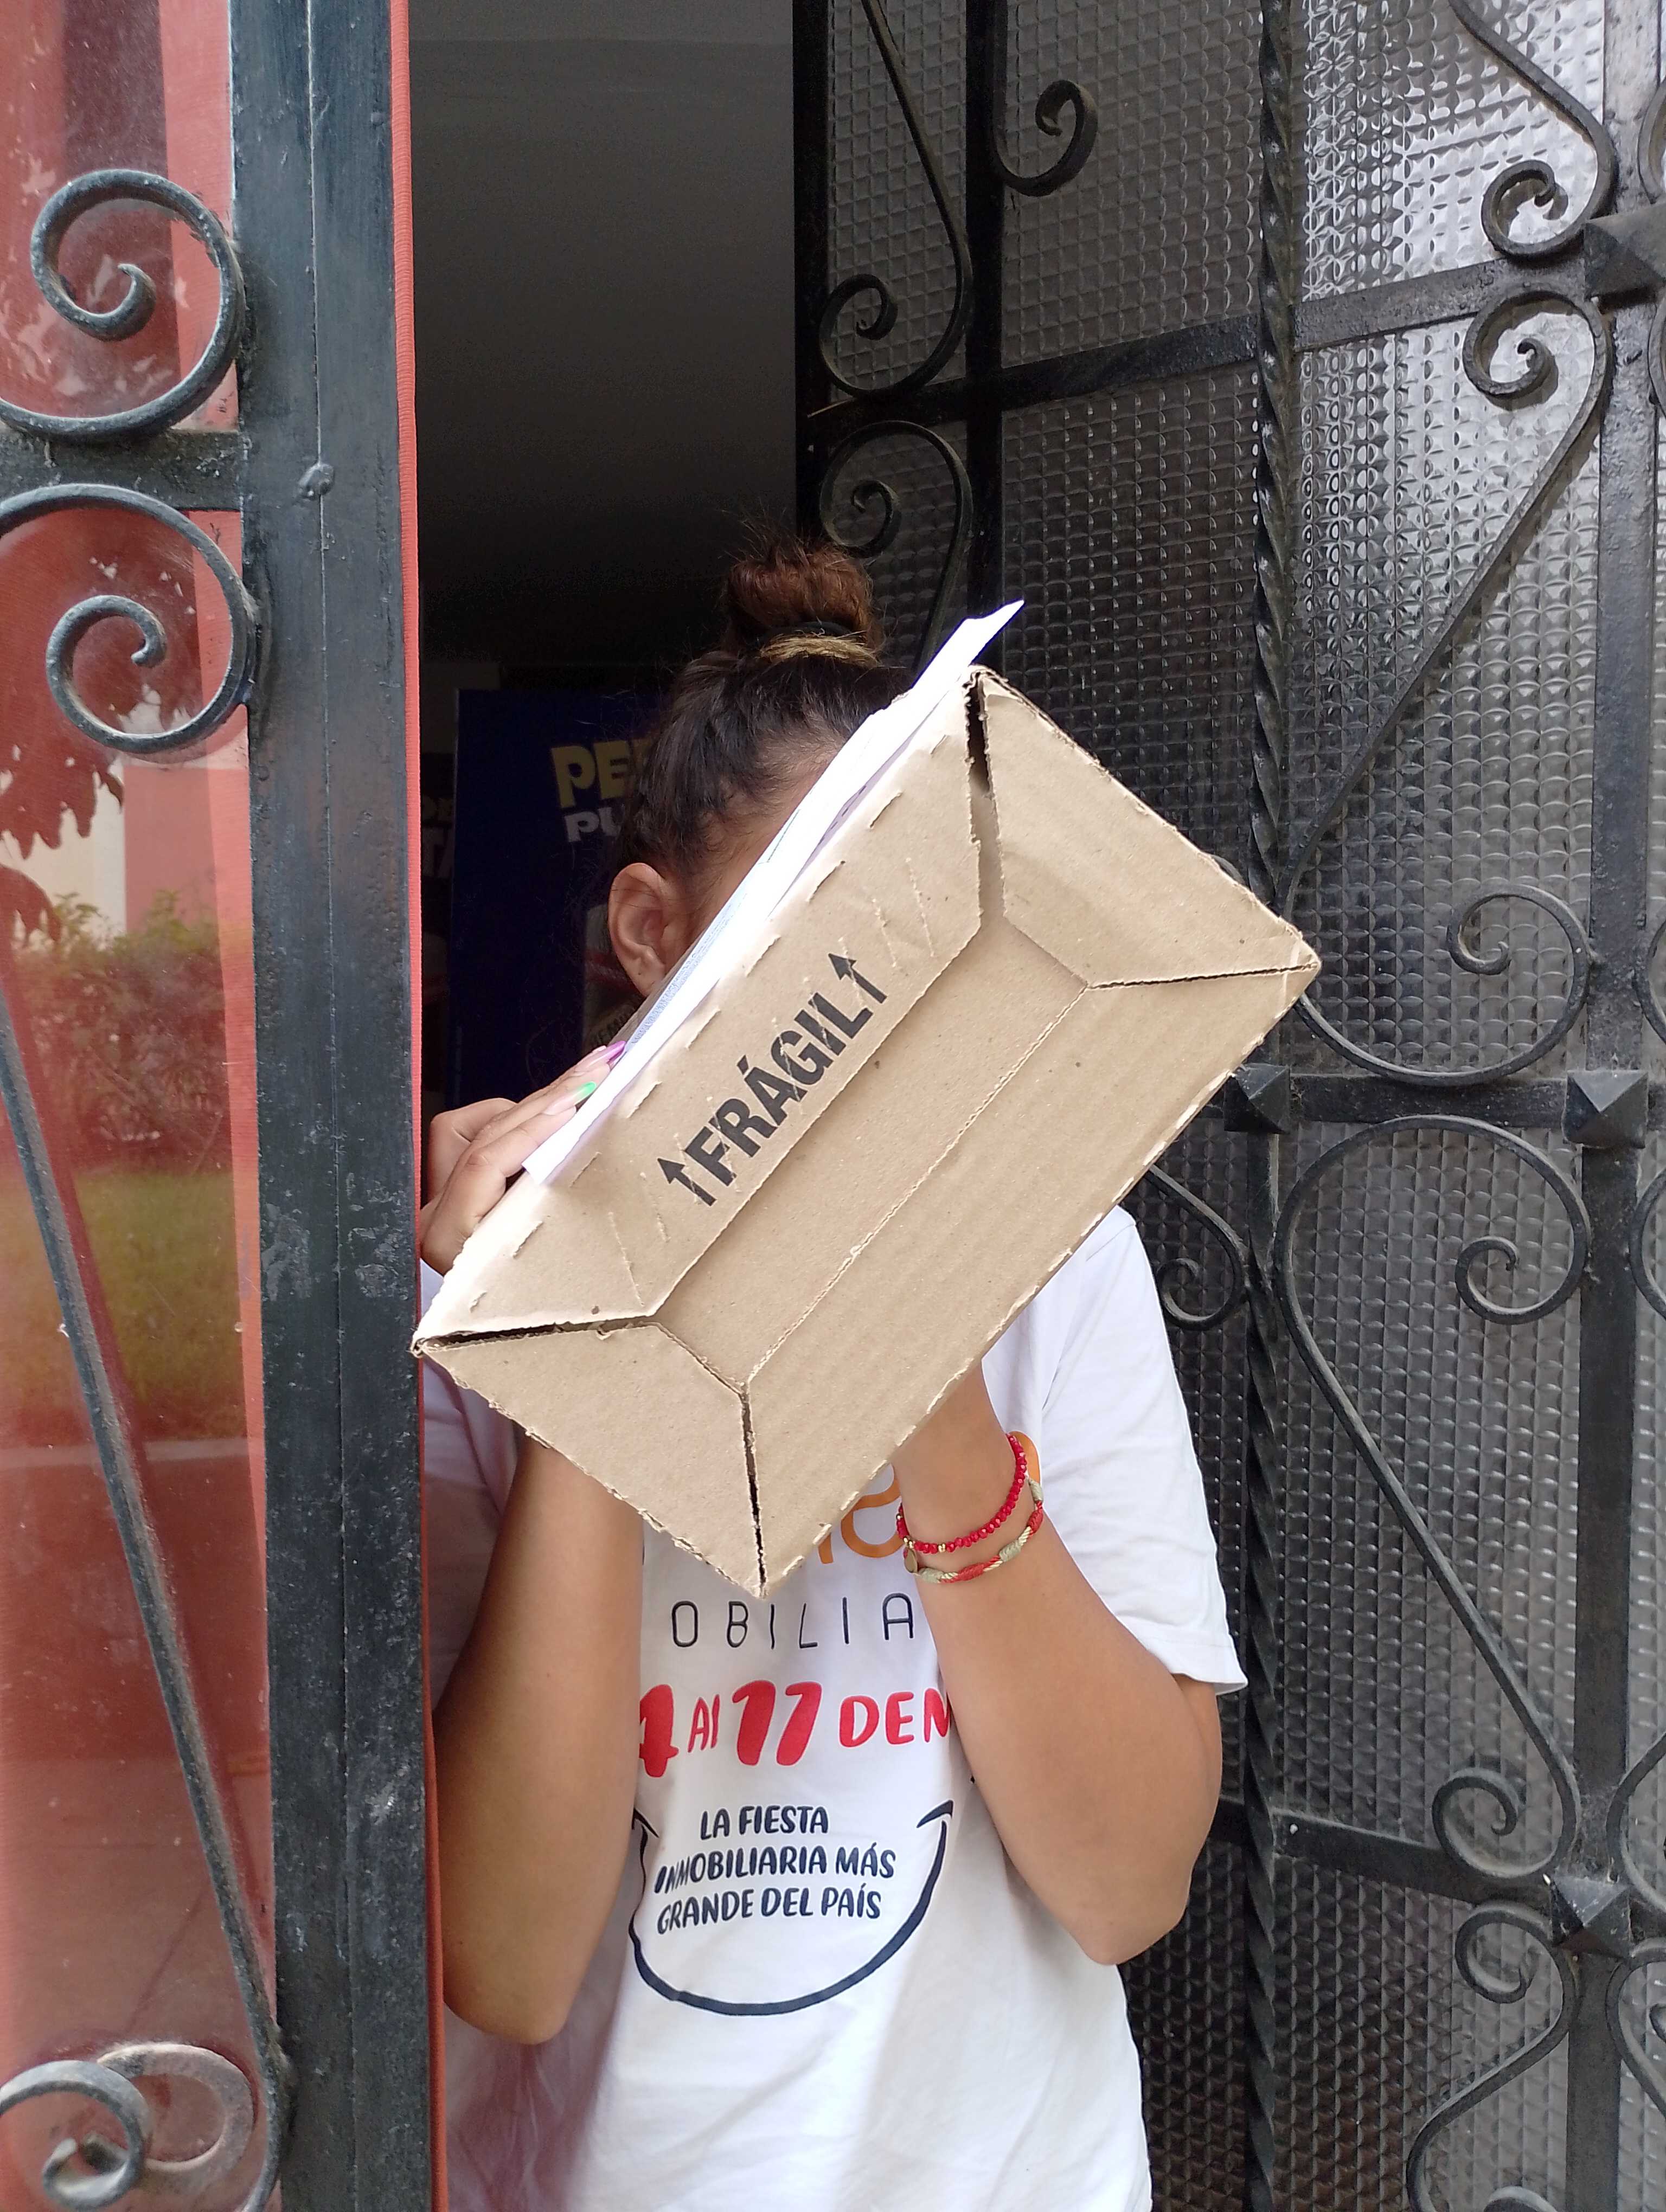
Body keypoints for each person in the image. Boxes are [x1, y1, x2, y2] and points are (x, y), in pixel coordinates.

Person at [420, 537, 1244, 2212]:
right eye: (812, 944)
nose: (860, 1017)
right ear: (651, 932)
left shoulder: (1061, 1270)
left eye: (920, 947)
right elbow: (503, 1962)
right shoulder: (480, 1310)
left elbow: (1128, 1888)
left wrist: (913, 1348)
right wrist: (586, 1342)